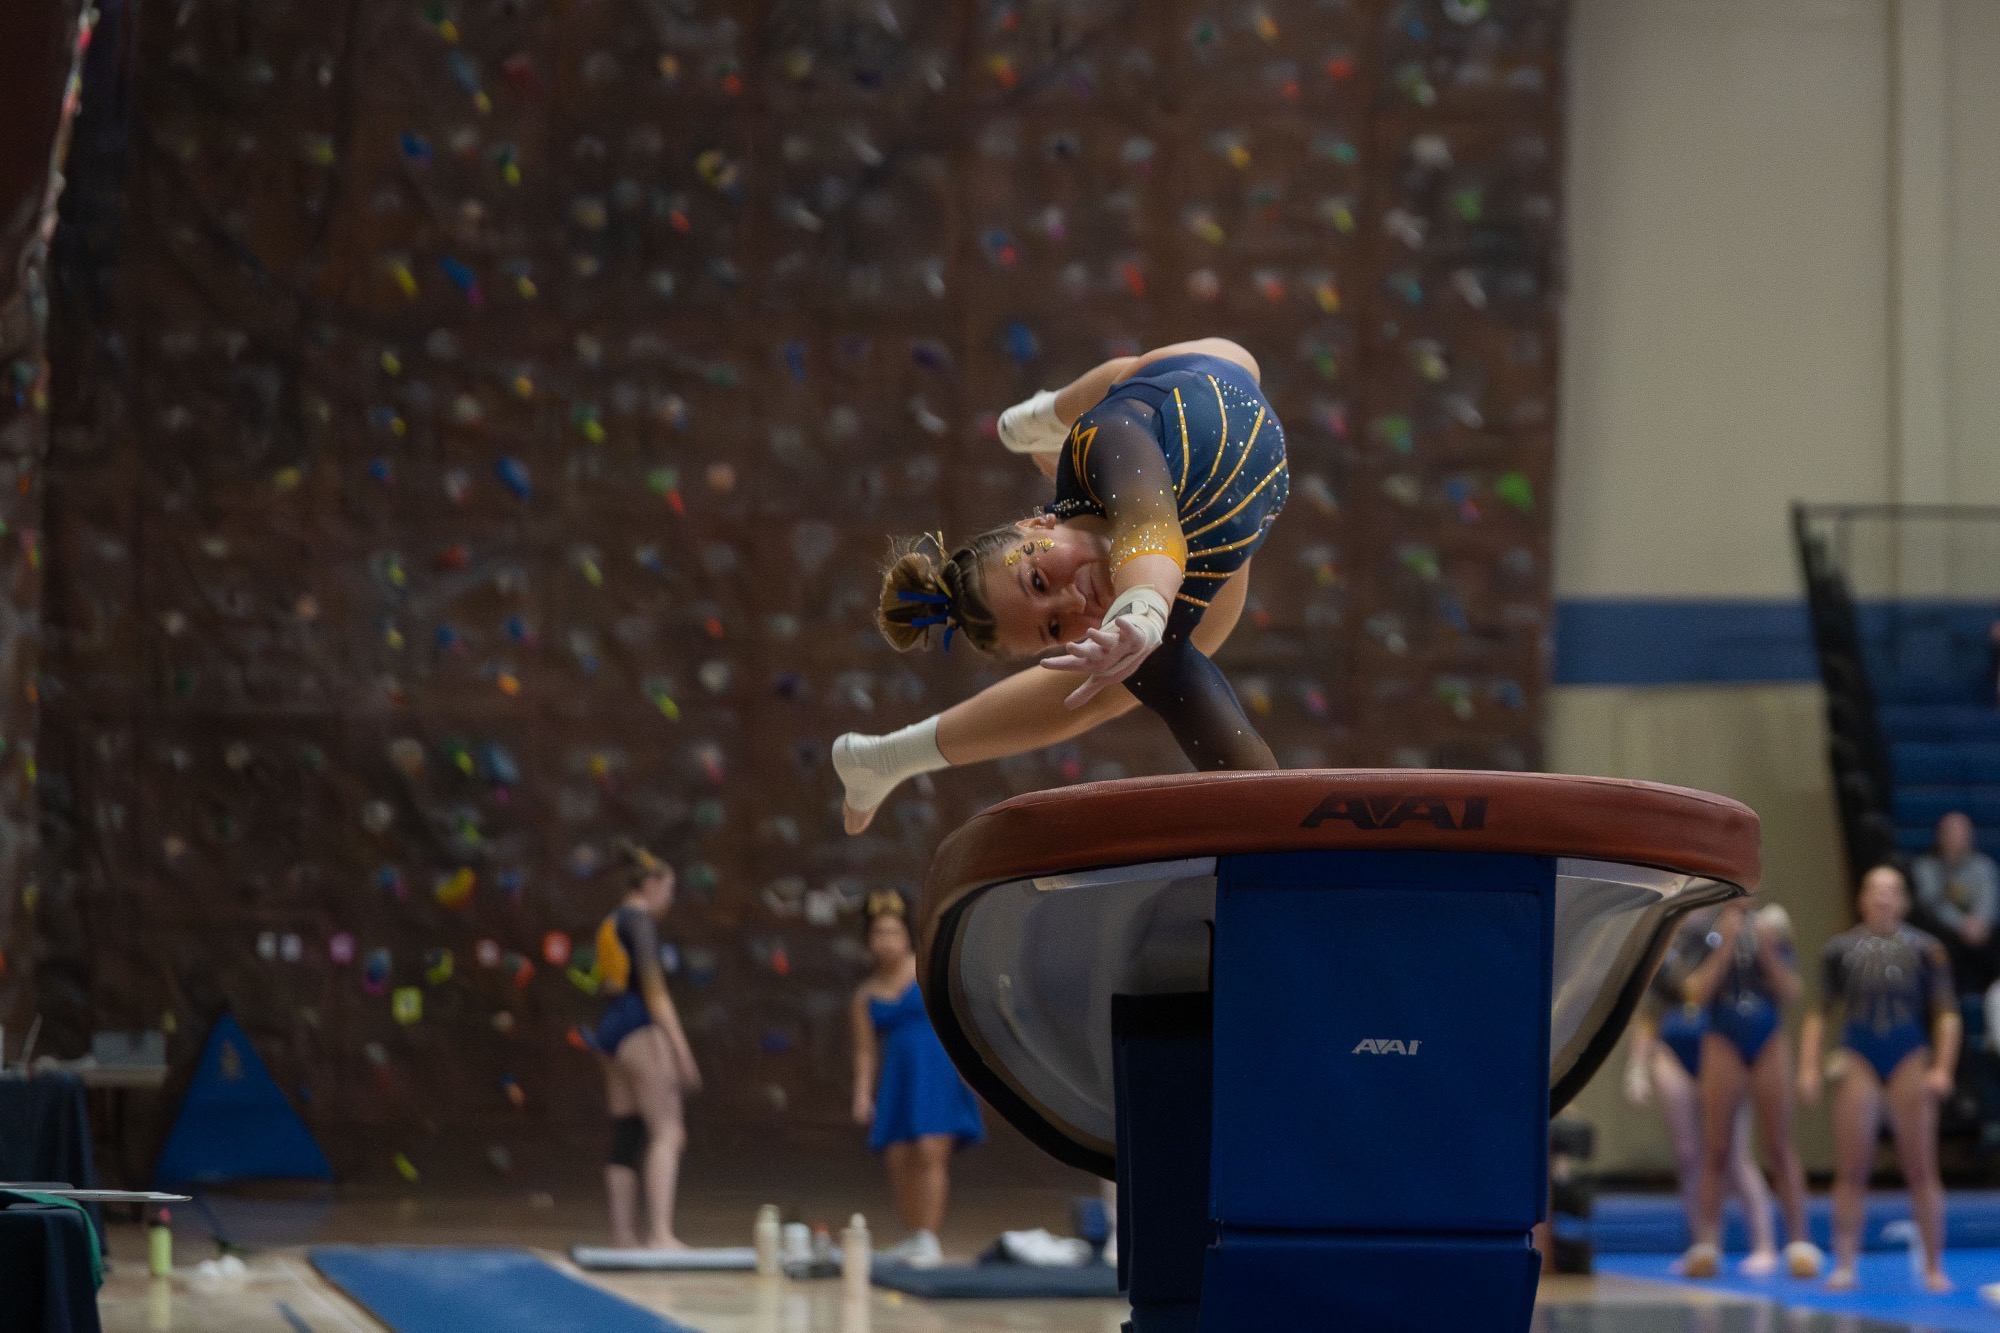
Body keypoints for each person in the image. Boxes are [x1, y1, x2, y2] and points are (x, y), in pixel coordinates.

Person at [831, 338, 1287, 832]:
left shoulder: (1105, 442)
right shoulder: (1147, 641)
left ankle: (1030, 422)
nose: (1072, 601)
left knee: (1123, 386)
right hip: (1211, 540)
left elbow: (1146, 522)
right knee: (1111, 681)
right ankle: (882, 759)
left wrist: (1144, 609)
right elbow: (1251, 780)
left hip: (1192, 384)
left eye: (1038, 580)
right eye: (1054, 629)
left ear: (1035, 526)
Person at [1800, 864, 1960, 1292]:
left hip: (1909, 1056)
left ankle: (1933, 1265)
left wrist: (1943, 1068)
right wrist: (1809, 1068)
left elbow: (1946, 1015)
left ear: (1904, 900)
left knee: (1921, 1169)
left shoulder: (1928, 950)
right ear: (1862, 899)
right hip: (1859, 1057)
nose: (1882, 898)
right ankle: (1845, 1263)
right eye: (1874, 890)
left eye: (1891, 891)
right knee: (1852, 1168)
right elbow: (1819, 1015)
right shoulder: (1839, 950)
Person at [1624, 917, 1780, 1275]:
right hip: (1672, 1052)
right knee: (1688, 1155)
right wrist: (1636, 1070)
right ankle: (1703, 1246)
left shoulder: (1731, 939)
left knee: (1735, 1156)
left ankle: (1765, 1244)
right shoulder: (1665, 949)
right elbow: (1649, 1014)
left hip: (1719, 1050)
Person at [1679, 902, 1823, 1279]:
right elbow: (1695, 992)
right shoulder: (1703, 930)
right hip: (1722, 1036)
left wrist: (1767, 948)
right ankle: (1707, 1243)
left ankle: (1799, 1242)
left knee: (1780, 1145)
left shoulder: (1772, 925)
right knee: (1717, 1148)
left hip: (1768, 1035)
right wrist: (1725, 945)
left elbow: (1791, 991)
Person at [850, 890, 984, 1266]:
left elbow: (958, 1020)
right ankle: (913, 1233)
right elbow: (864, 1050)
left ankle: (929, 1234)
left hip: (936, 1069)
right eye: (879, 933)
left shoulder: (925, 972)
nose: (887, 940)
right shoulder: (865, 994)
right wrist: (863, 1095)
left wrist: (971, 1070)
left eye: (894, 932)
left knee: (929, 1150)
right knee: (899, 1156)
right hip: (898, 1076)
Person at [593, 841, 702, 1250]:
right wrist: (681, 1051)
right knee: (668, 1132)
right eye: (668, 890)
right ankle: (659, 1233)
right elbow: (655, 994)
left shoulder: (610, 922)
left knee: (628, 1130)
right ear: (652, 883)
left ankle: (623, 1236)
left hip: (611, 1033)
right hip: (641, 1030)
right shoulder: (640, 924)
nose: (669, 901)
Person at [1910, 811, 1999, 993]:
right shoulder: (1925, 866)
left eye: (1963, 832)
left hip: (1981, 931)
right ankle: (1947, 1004)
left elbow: (1988, 900)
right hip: (1946, 932)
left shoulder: (1984, 866)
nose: (1958, 837)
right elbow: (1932, 905)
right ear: (1940, 835)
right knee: (1939, 945)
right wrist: (1962, 925)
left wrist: (1980, 924)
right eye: (1951, 832)